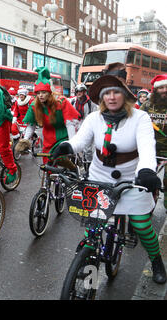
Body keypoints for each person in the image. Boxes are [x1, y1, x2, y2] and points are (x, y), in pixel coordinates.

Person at [51, 74, 166, 284]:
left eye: (116, 92)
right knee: (92, 228)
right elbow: (80, 141)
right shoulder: (94, 118)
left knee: (141, 225)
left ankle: (156, 260)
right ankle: (89, 270)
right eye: (107, 94)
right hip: (99, 178)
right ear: (102, 98)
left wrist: (147, 171)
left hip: (133, 180)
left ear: (125, 95)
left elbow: (147, 147)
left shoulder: (140, 118)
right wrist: (67, 146)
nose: (111, 97)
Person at [15, 67, 79, 166]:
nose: (40, 95)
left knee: (61, 161)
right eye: (38, 93)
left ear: (50, 93)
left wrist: (72, 144)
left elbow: (70, 123)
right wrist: (25, 140)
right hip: (48, 141)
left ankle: (72, 169)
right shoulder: (34, 105)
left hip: (63, 137)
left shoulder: (61, 102)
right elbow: (32, 125)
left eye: (44, 92)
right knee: (47, 167)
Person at [140, 74, 167, 211]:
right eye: (161, 87)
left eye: (166, 87)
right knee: (147, 180)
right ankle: (146, 207)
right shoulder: (147, 105)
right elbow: (136, 122)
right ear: (155, 90)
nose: (164, 90)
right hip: (150, 149)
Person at [69, 83, 98, 164]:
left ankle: (88, 166)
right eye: (77, 91)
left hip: (87, 127)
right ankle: (74, 165)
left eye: (81, 91)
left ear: (84, 92)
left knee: (88, 149)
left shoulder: (90, 103)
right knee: (73, 146)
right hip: (75, 126)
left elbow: (95, 115)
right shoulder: (73, 101)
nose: (79, 93)